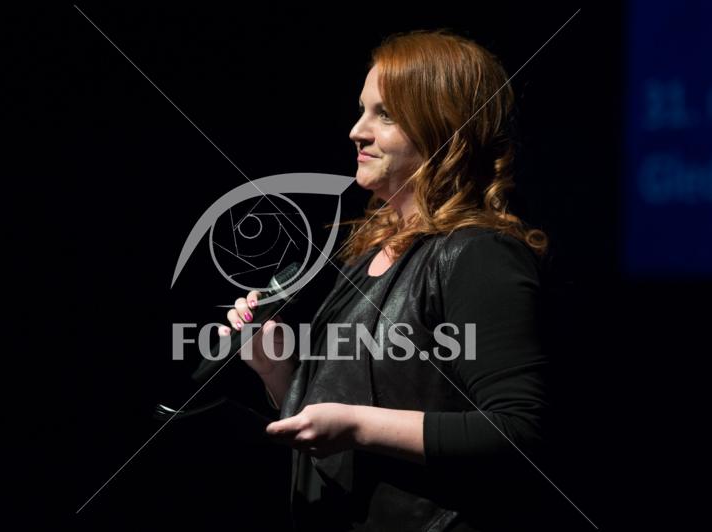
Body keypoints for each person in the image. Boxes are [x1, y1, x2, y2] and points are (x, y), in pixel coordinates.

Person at [218, 29, 552, 531]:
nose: (357, 130)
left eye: (386, 114)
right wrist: (275, 368)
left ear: (443, 127)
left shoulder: (478, 254)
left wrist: (359, 426)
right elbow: (336, 419)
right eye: (362, 110)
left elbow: (518, 431)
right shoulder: (366, 256)